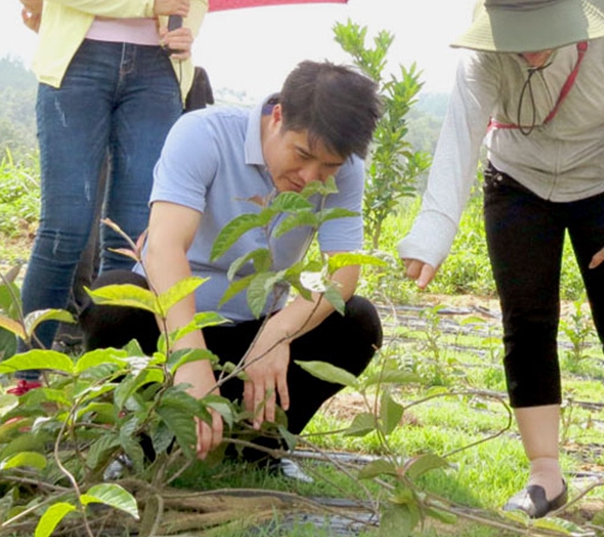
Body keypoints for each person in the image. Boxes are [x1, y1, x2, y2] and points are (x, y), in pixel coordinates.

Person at [399, 0, 604, 518]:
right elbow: (462, 135)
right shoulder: (484, 56)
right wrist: (433, 230)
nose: (530, 49)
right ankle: (545, 474)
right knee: (526, 324)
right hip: (517, 185)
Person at [14, 0, 211, 386]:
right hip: (80, 62)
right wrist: (141, 2)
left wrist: (185, 28)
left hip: (157, 73)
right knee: (66, 224)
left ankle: (109, 385)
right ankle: (29, 377)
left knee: (135, 235)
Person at [81, 60, 385, 465]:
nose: (311, 177)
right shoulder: (203, 135)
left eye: (328, 167)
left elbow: (343, 273)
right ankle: (140, 443)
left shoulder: (345, 171)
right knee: (112, 302)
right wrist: (188, 357)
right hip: (172, 327)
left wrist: (279, 332)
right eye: (302, 155)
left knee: (357, 323)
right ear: (278, 116)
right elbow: (165, 248)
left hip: (253, 337)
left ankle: (258, 448)